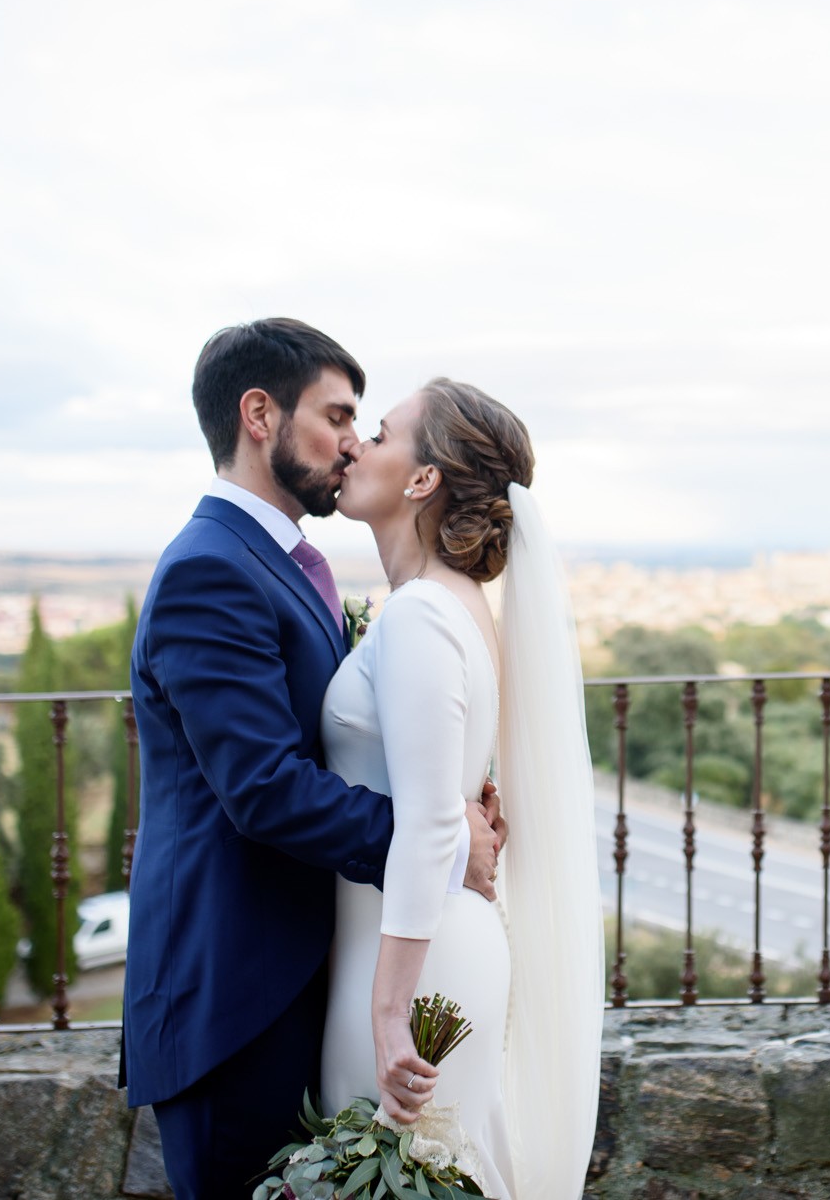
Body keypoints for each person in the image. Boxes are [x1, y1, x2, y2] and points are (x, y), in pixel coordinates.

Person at [123, 321, 502, 1199]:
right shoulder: (210, 570)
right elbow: (264, 788)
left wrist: (451, 794)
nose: (350, 441)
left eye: (361, 422)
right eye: (336, 416)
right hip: (235, 997)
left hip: (303, 979)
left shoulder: (287, 563)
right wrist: (444, 838)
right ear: (260, 414)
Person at [320, 377, 602, 1199]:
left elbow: (428, 823)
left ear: (423, 479)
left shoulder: (421, 615)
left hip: (411, 966)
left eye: (380, 433)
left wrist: (388, 1014)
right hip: (422, 947)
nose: (355, 445)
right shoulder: (455, 605)